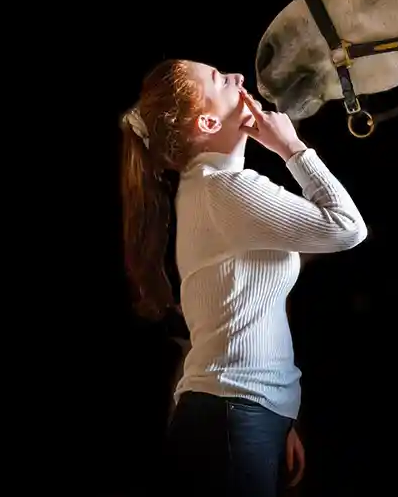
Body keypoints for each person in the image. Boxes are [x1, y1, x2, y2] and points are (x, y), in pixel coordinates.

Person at [118, 59, 369, 496]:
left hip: (235, 417)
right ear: (209, 121)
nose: (236, 77)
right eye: (219, 79)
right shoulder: (225, 189)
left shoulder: (207, 188)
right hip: (230, 420)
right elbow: (348, 228)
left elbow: (240, 311)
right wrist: (291, 147)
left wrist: (278, 416)